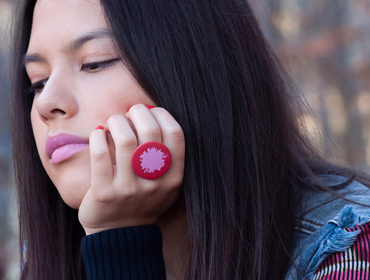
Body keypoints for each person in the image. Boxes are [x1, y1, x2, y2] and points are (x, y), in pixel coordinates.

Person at [10, 0, 370, 279]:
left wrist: (118, 245)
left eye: (94, 63)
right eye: (36, 81)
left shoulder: (349, 248)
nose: (46, 102)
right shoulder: (44, 260)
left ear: (202, 73)